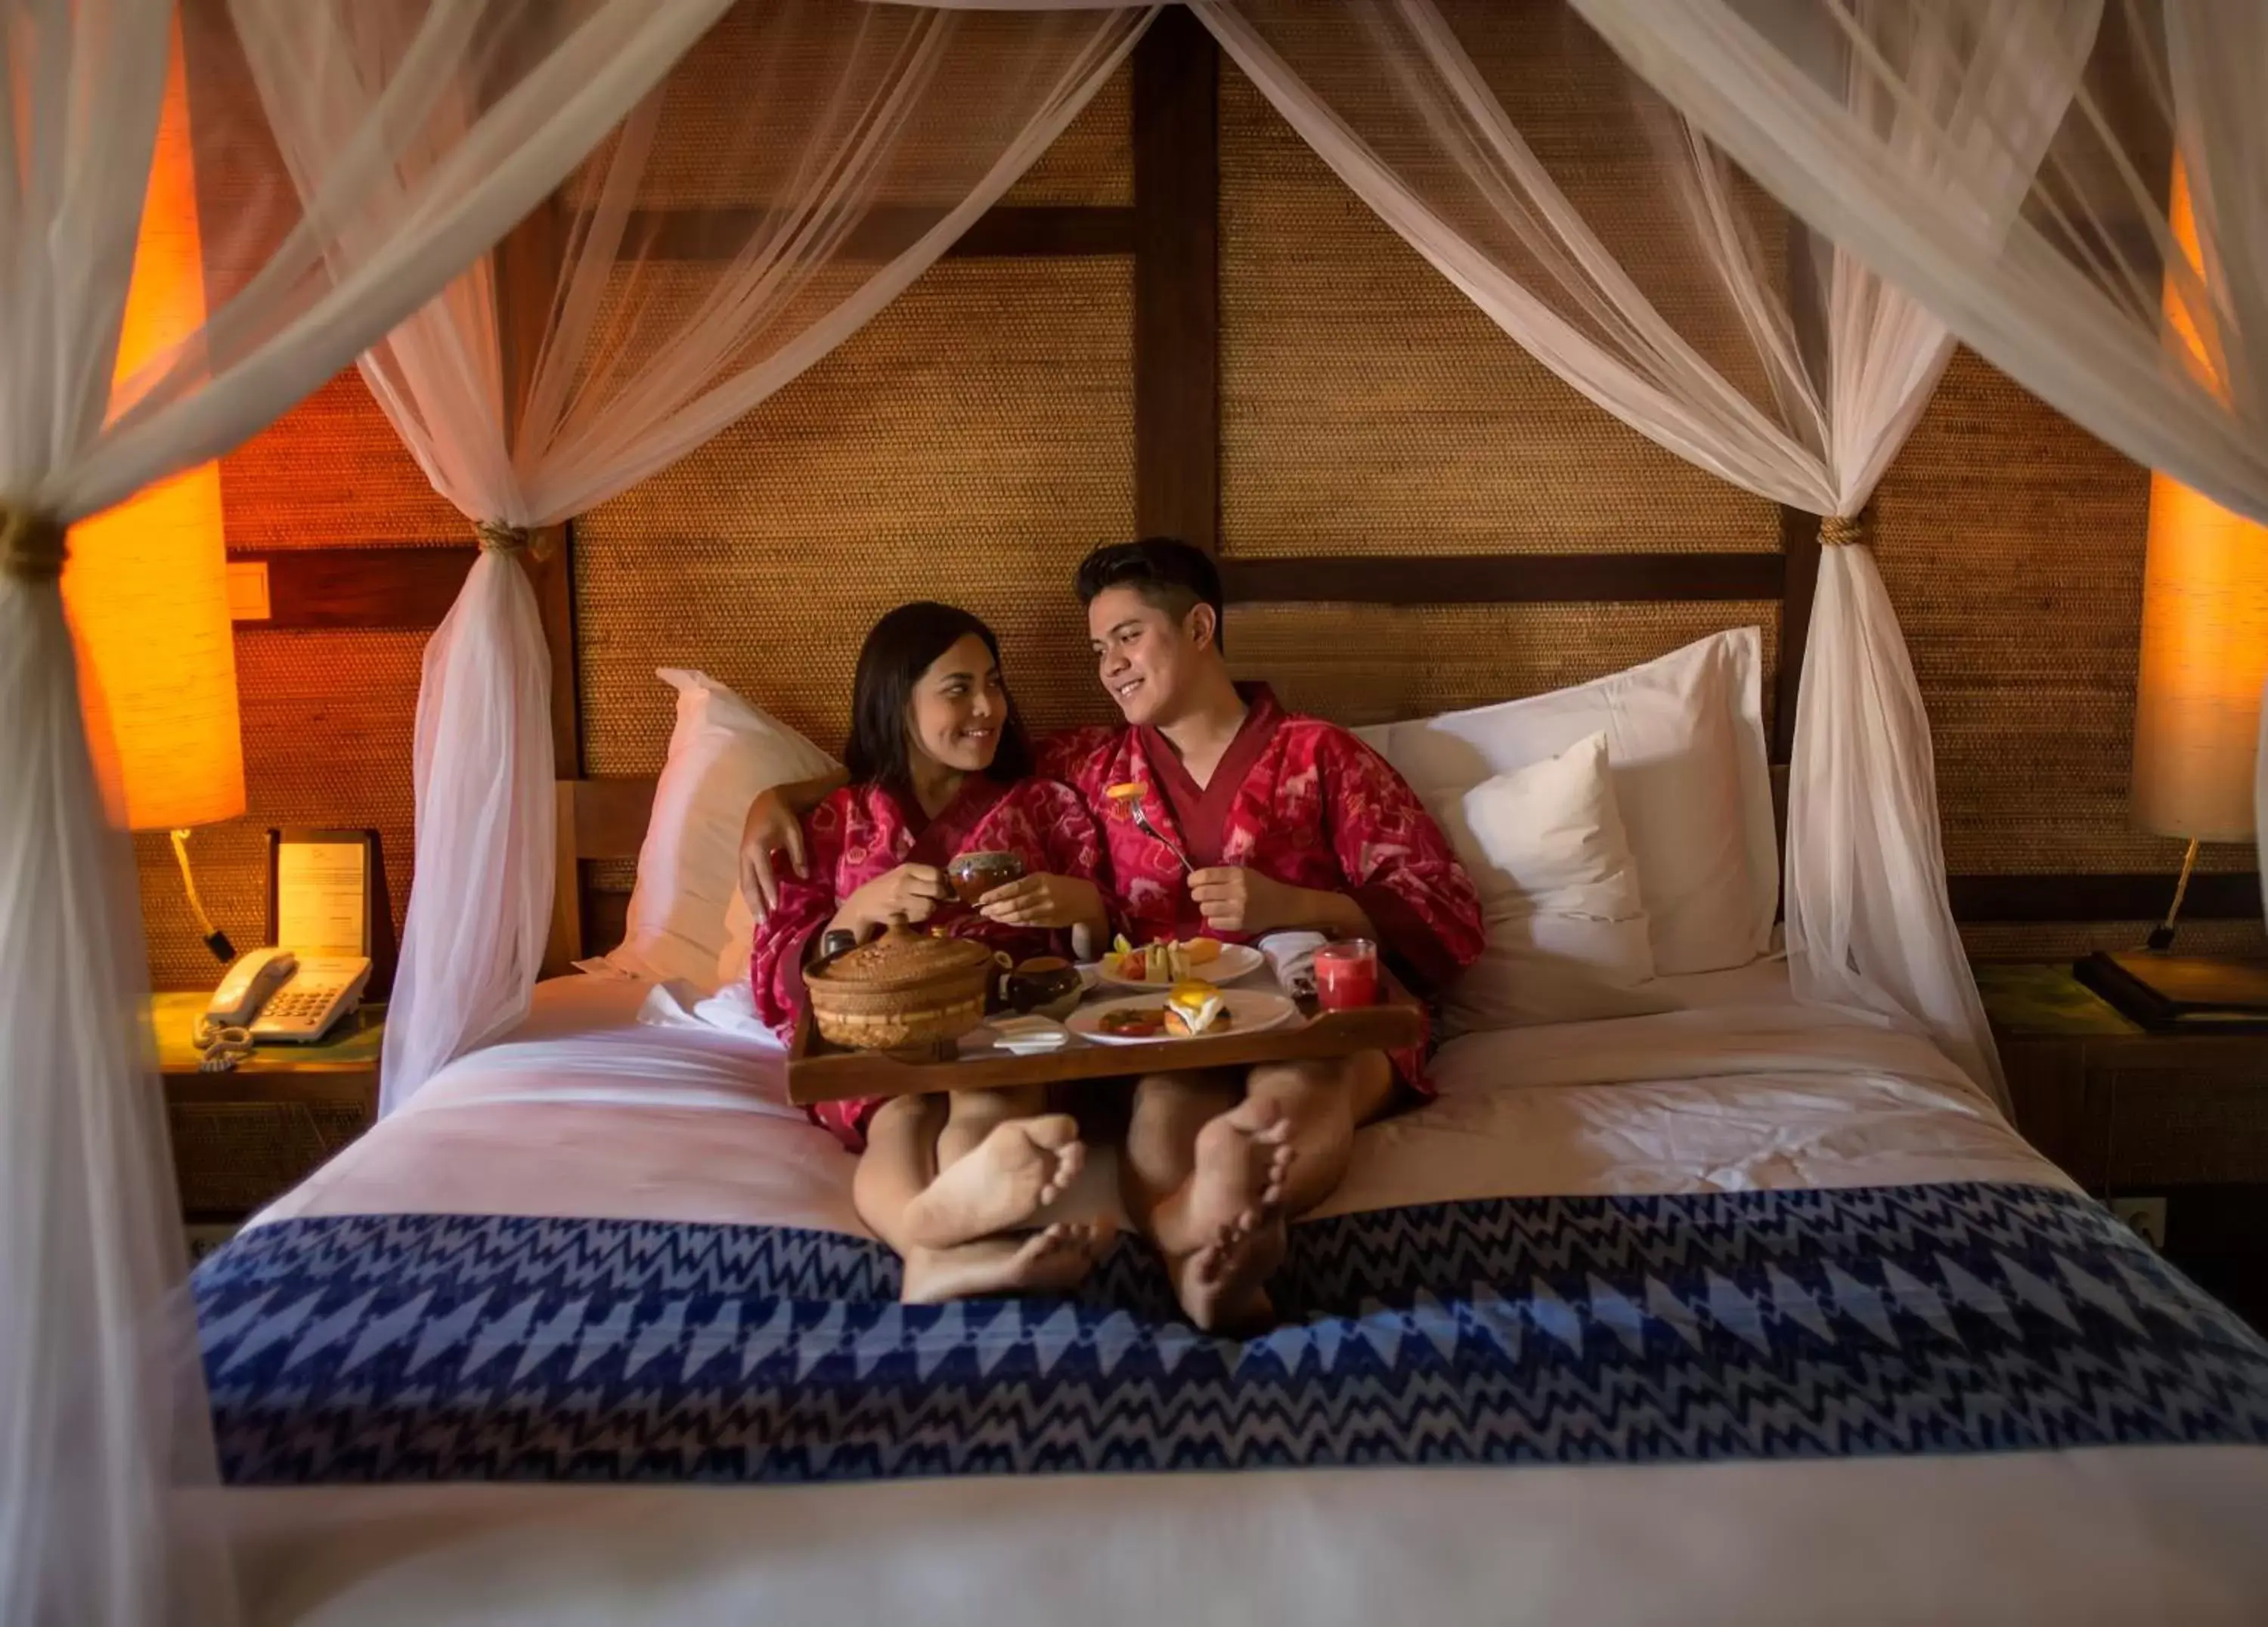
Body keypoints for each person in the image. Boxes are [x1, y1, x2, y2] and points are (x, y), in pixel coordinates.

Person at [743, 546, 1484, 1331]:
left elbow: (1445, 910)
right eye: (1099, 650)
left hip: (1313, 1001)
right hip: (1169, 1019)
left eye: (1127, 637)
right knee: (1161, 1105)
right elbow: (934, 755)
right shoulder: (1094, 764)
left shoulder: (1324, 754)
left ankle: (1204, 1219)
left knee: (1300, 1087)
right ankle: (1198, 1259)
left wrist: (1296, 902)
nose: (1111, 667)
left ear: (1198, 625)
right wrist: (778, 795)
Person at [751, 601, 1115, 1304]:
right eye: (958, 689)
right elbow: (774, 971)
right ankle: (935, 1244)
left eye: (995, 683)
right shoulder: (835, 820)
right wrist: (855, 914)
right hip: (881, 1029)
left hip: (1008, 1024)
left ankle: (936, 1248)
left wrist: (1083, 910)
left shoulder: (1045, 804)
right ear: (898, 700)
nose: (987, 707)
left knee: (988, 1103)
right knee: (901, 1118)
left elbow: (1109, 947)